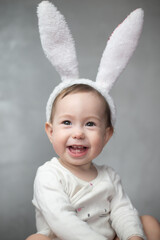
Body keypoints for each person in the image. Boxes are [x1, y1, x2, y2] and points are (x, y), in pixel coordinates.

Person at [26, 1, 160, 240]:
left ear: (107, 135)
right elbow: (61, 219)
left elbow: (122, 211)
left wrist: (133, 236)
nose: (78, 133)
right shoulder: (49, 175)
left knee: (146, 223)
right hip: (64, 237)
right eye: (67, 123)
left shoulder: (109, 176)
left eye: (90, 124)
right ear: (50, 131)